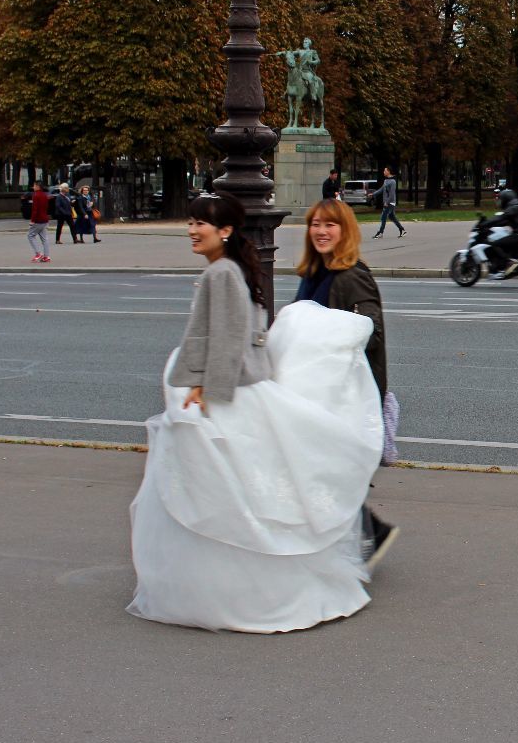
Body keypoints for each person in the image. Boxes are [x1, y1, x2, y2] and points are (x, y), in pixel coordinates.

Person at [127, 191, 384, 633]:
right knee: (247, 488)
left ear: (224, 231)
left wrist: (208, 389)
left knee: (233, 490)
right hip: (235, 385)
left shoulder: (223, 272)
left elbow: (228, 336)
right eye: (190, 222)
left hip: (232, 389)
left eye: (200, 223)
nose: (192, 230)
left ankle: (235, 587)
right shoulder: (233, 270)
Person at [294, 198, 400, 573]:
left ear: (346, 231)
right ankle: (362, 533)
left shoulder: (351, 274)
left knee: (321, 470)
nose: (321, 231)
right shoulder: (314, 272)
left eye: (330, 225)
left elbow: (371, 329)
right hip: (317, 390)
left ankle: (366, 531)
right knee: (317, 471)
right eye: (315, 224)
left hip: (345, 394)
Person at [485, 188, 518, 280]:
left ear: (506, 199)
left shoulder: (512, 208)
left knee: (494, 243)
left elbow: (500, 218)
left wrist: (485, 223)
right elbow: (506, 221)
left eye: (501, 199)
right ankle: (513, 262)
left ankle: (508, 262)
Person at [370, 166, 405, 238]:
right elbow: (381, 189)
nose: (383, 172)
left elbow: (392, 194)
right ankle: (402, 230)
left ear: (388, 171)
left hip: (390, 203)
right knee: (392, 217)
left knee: (383, 217)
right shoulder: (386, 181)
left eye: (385, 171)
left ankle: (380, 233)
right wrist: (373, 194)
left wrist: (387, 202)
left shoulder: (393, 182)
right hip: (388, 202)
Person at [28, 182, 52, 263]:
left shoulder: (36, 195)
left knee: (30, 235)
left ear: (37, 186)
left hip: (38, 219)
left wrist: (32, 220)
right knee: (44, 238)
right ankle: (46, 256)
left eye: (34, 185)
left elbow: (35, 209)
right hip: (45, 218)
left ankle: (38, 253)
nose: (33, 187)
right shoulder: (44, 195)